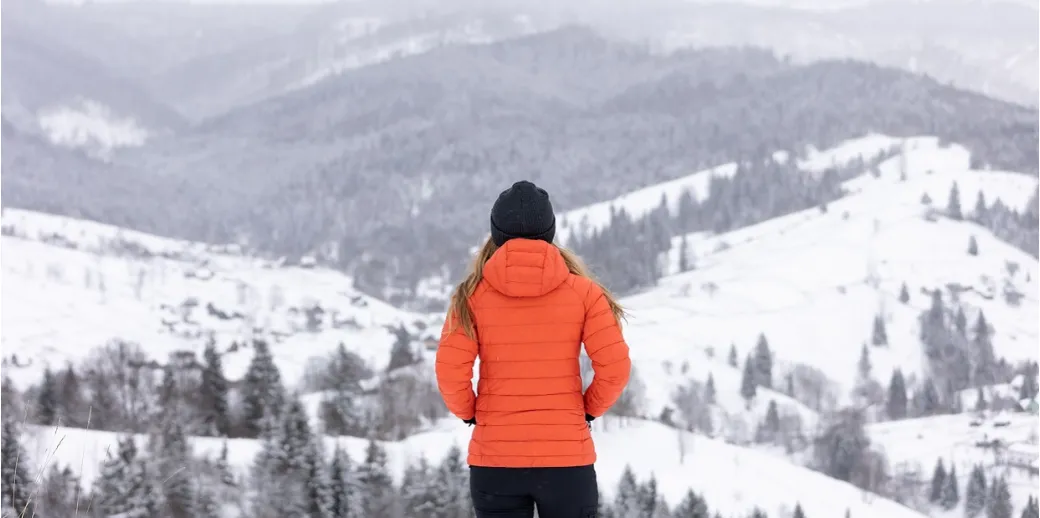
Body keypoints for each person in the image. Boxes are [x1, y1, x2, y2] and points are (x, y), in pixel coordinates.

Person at [435, 180, 632, 518]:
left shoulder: (470, 296)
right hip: (567, 462)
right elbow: (614, 368)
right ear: (549, 231)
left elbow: (450, 372)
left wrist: (471, 413)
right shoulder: (585, 294)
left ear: (496, 234)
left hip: (495, 461)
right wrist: (586, 410)